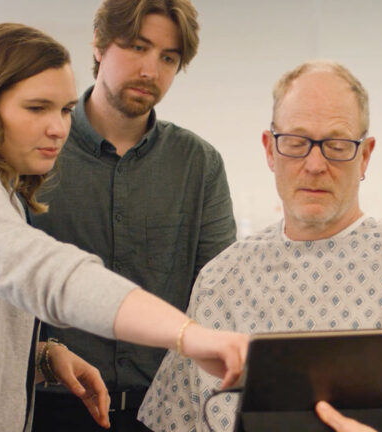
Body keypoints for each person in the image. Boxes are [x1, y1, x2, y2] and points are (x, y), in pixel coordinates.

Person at [137, 60, 382, 432]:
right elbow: (172, 420)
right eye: (296, 143)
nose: (314, 164)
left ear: (365, 155)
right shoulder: (221, 282)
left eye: (337, 145)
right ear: (269, 149)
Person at [0, 23, 246, 432]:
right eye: (36, 108)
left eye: (65, 110)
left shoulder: (7, 194)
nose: (57, 128)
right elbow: (48, 273)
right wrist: (187, 335)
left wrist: (42, 357)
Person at [29, 0, 236, 430]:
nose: (150, 70)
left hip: (161, 411)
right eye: (138, 47)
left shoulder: (198, 164)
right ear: (100, 46)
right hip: (48, 404)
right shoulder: (38, 151)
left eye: (168, 58)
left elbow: (219, 293)